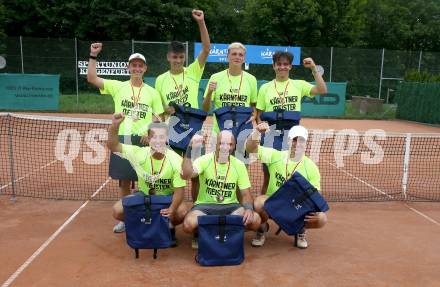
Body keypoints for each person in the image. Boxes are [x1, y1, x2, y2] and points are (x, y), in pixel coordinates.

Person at [87, 44, 164, 233]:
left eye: (140, 66)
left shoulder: (152, 92)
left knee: (149, 180)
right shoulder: (117, 86)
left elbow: (159, 116)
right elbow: (91, 78)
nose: (137, 68)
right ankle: (126, 218)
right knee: (124, 181)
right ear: (128, 68)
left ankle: (150, 214)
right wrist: (93, 55)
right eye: (134, 65)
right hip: (123, 139)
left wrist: (150, 132)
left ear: (145, 69)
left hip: (145, 141)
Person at [107, 113, 187, 245]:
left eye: (161, 137)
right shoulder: (139, 153)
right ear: (148, 139)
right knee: (117, 211)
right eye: (154, 137)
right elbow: (113, 146)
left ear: (167, 138)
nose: (158, 141)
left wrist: (171, 209)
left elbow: (179, 191)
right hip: (144, 196)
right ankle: (145, 224)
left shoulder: (176, 160)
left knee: (181, 212)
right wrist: (114, 126)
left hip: (167, 198)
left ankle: (167, 226)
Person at [256, 51, 327, 196]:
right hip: (270, 137)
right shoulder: (265, 88)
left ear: (290, 66)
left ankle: (288, 207)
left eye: (285, 64)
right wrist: (260, 125)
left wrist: (314, 68)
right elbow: (258, 114)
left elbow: (322, 90)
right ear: (274, 66)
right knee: (268, 176)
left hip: (291, 137)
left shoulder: (299, 85)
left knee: (290, 173)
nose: (282, 67)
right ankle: (263, 210)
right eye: (279, 64)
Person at [246, 122, 328, 249]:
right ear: (288, 141)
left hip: (296, 207)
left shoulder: (311, 167)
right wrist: (256, 132)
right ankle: (262, 229)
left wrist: (310, 210)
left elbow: (316, 195)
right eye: (294, 140)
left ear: (306, 143)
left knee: (321, 218)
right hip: (274, 203)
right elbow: (250, 148)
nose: (297, 143)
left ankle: (300, 230)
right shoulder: (275, 156)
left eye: (301, 140)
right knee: (258, 203)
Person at [182, 130, 261, 248]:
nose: (225, 147)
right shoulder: (204, 160)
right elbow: (186, 175)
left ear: (234, 146)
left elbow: (246, 194)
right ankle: (214, 232)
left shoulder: (239, 165)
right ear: (216, 144)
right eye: (222, 143)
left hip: (231, 207)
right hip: (204, 207)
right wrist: (189, 149)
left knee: (255, 220)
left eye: (230, 144)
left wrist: (249, 209)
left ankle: (212, 232)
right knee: (188, 225)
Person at [155, 9, 210, 112]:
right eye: (175, 57)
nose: (178, 60)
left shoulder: (193, 71)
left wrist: (201, 22)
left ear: (185, 57)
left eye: (181, 57)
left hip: (193, 125)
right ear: (168, 57)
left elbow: (206, 49)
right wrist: (167, 109)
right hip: (171, 126)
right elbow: (159, 107)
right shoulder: (160, 80)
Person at [201, 42, 257, 133]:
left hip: (243, 130)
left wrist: (254, 115)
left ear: (244, 58)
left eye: (240, 55)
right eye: (234, 54)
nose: (237, 57)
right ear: (227, 57)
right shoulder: (215, 77)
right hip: (219, 131)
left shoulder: (252, 79)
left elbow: (253, 106)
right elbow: (205, 108)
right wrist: (209, 92)